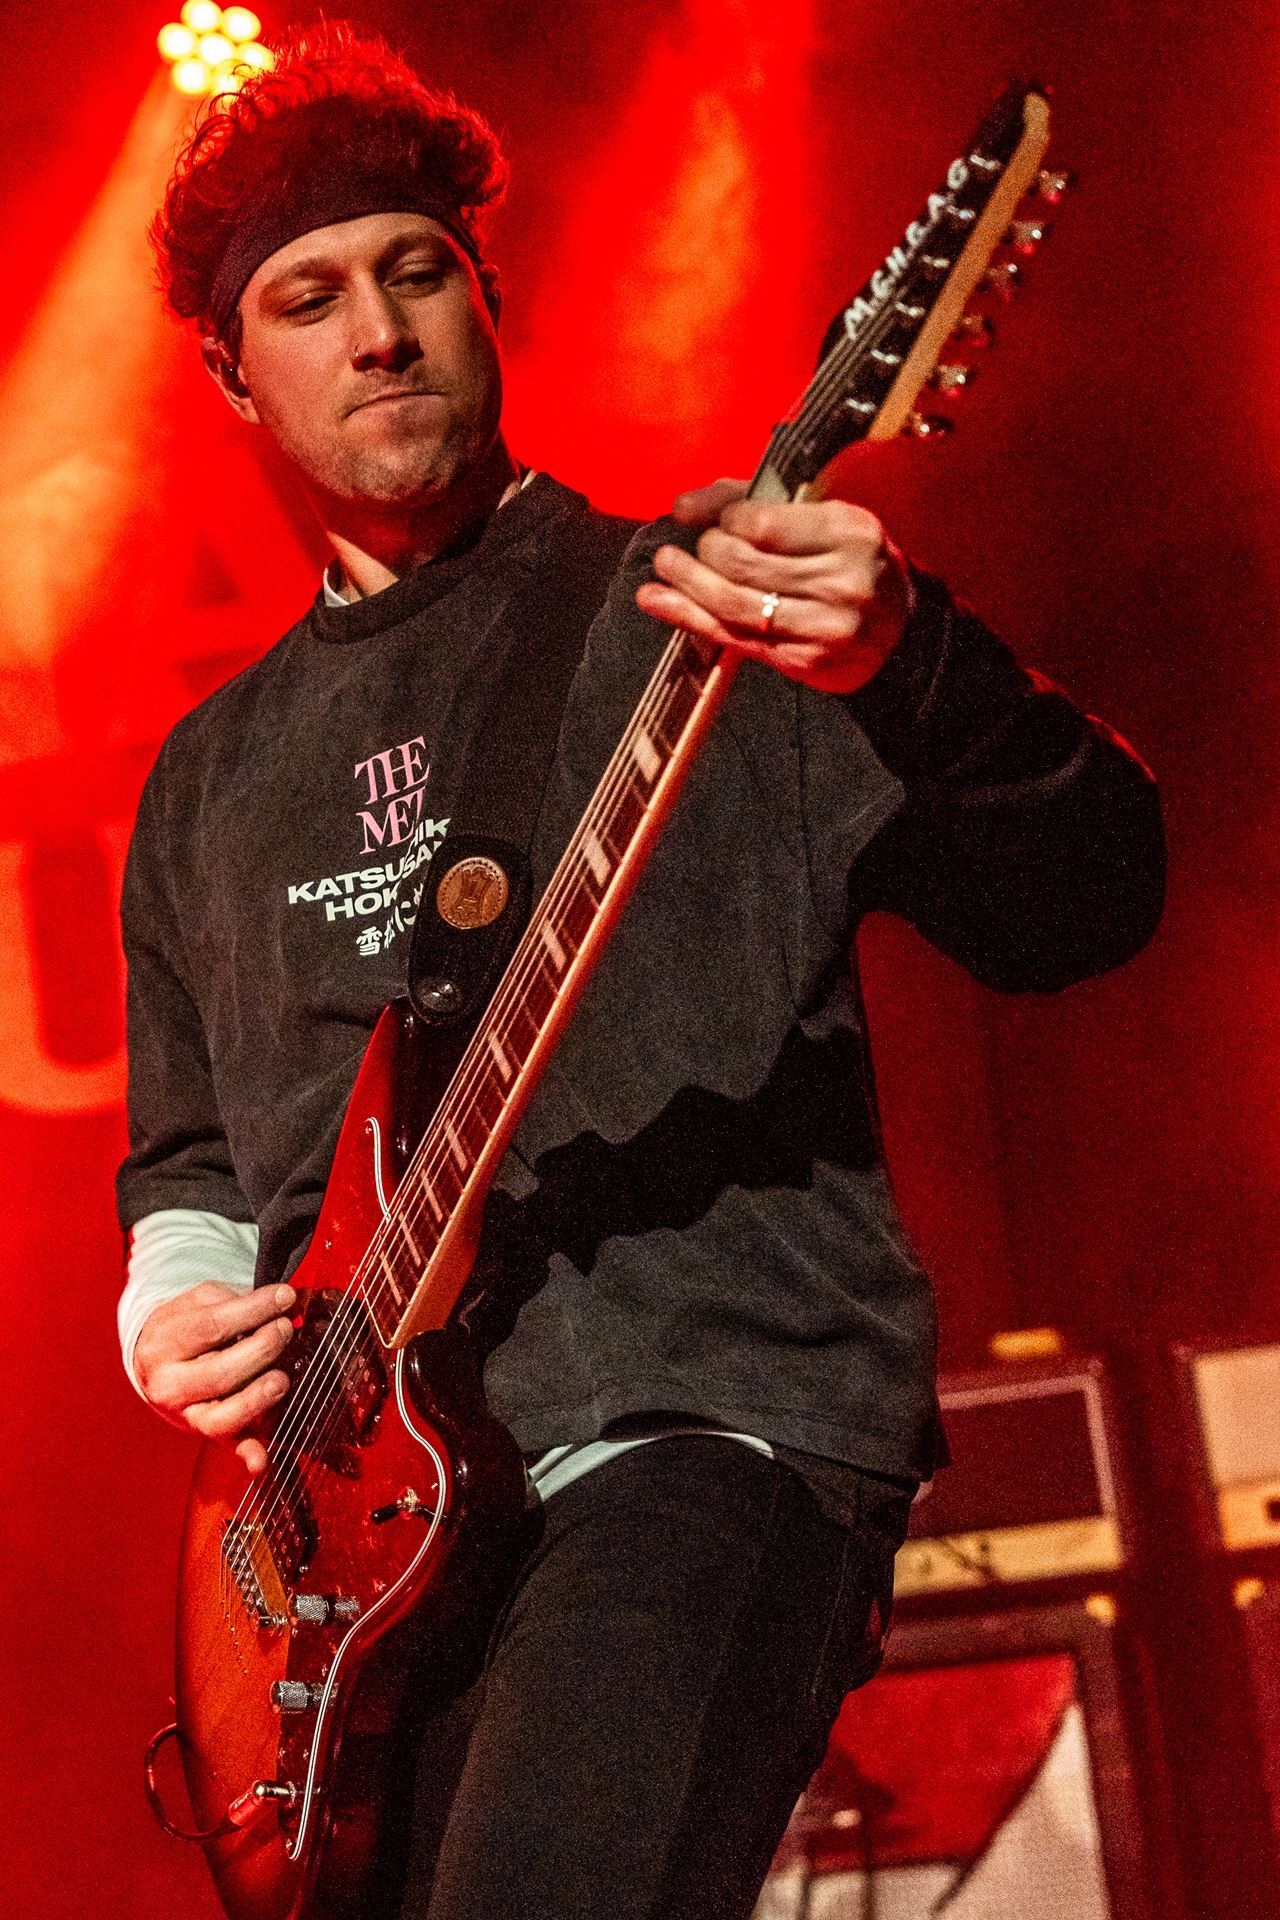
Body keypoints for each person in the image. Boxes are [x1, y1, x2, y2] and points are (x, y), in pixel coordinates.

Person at [116, 23, 1165, 1920]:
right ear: (231, 373)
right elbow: (190, 1158)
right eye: (310, 298)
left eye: (418, 272)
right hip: (353, 1556)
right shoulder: (206, 775)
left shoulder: (707, 605)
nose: (380, 333)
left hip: (702, 1421)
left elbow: (1090, 902)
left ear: (487, 298)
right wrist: (172, 1310)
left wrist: (914, 661)